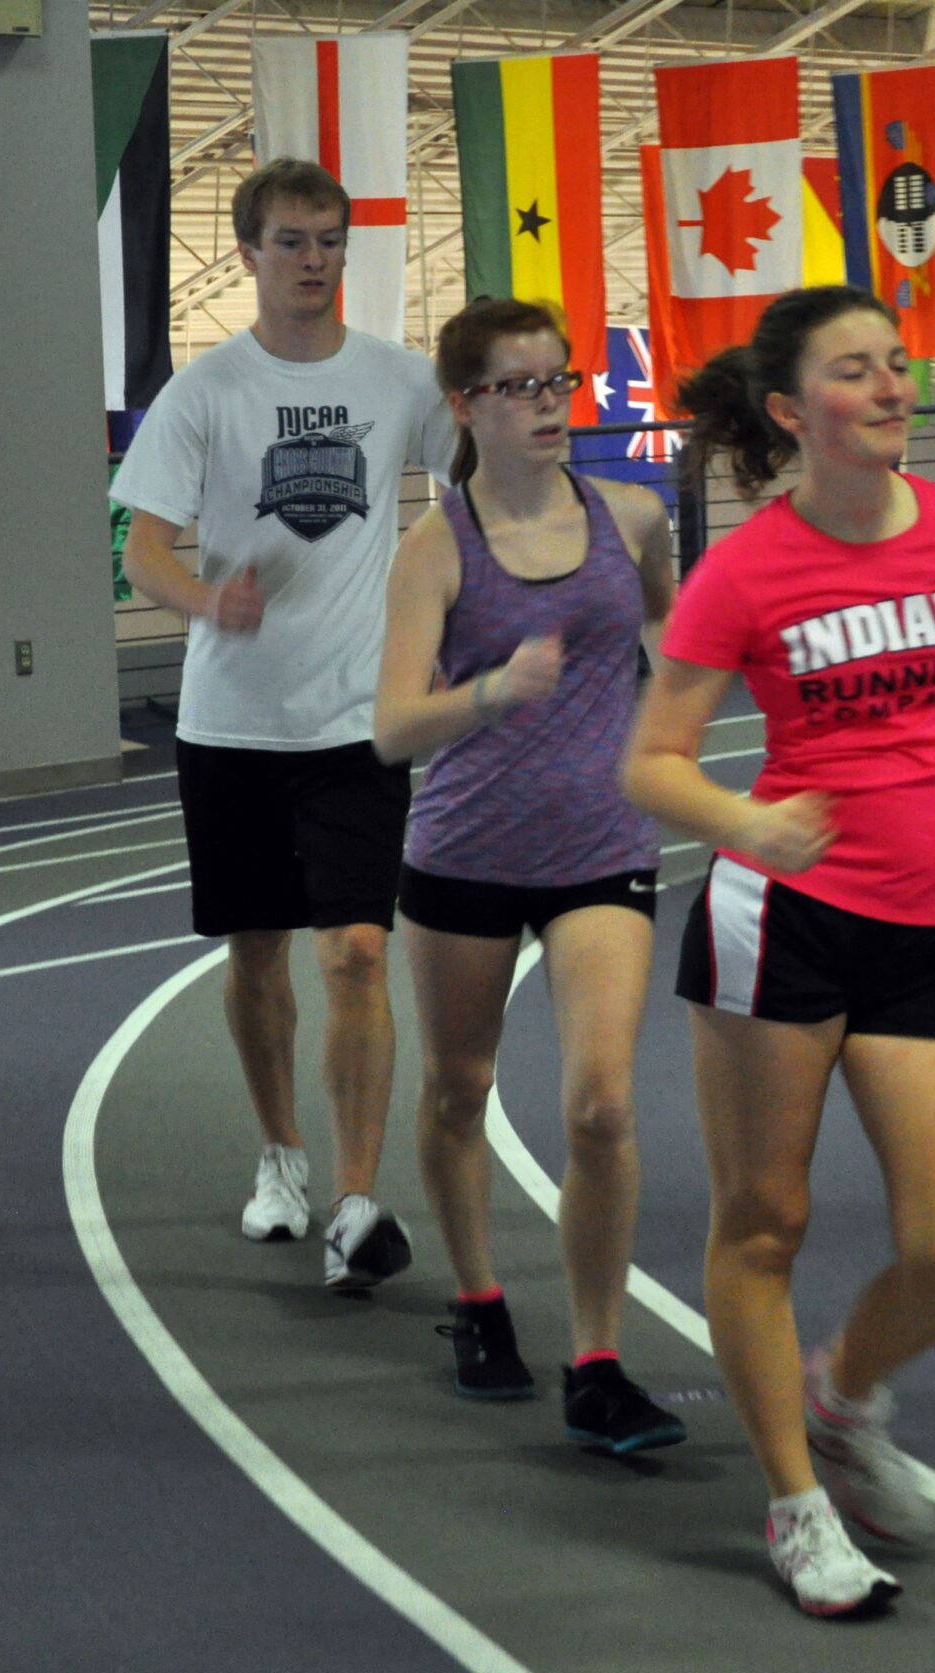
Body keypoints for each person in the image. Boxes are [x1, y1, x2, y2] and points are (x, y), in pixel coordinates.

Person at [622, 286, 935, 1618]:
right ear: (788, 411)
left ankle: (844, 1395)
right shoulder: (746, 571)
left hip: (933, 934)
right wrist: (749, 817)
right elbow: (650, 766)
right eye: (855, 373)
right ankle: (797, 1507)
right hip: (785, 930)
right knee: (769, 1222)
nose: (889, 389)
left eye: (898, 366)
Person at [116, 159, 456, 1290]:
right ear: (249, 252)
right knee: (256, 950)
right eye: (291, 241)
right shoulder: (206, 391)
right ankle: (281, 1152)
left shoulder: (402, 381)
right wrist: (210, 599)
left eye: (328, 240)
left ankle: (358, 1198)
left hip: (359, 719)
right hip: (232, 724)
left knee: (358, 948)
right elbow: (142, 547)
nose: (312, 259)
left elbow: (480, 494)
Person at [369, 296, 684, 1454]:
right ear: (467, 406)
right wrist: (493, 692)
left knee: (601, 1106)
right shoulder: (433, 549)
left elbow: (679, 637)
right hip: (464, 854)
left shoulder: (634, 514)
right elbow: (394, 730)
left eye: (562, 381)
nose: (553, 404)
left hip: (603, 848)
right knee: (460, 1087)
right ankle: (480, 1299)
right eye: (523, 386)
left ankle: (597, 1360)